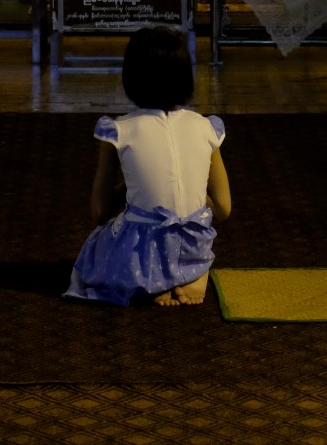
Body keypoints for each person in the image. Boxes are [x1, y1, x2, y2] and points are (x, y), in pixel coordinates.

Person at [65, 26, 230, 308]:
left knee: (97, 245)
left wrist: (133, 185)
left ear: (131, 77)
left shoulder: (118, 130)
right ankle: (191, 271)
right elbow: (224, 209)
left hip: (140, 255)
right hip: (193, 246)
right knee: (193, 222)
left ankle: (150, 280)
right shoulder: (206, 127)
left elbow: (100, 212)